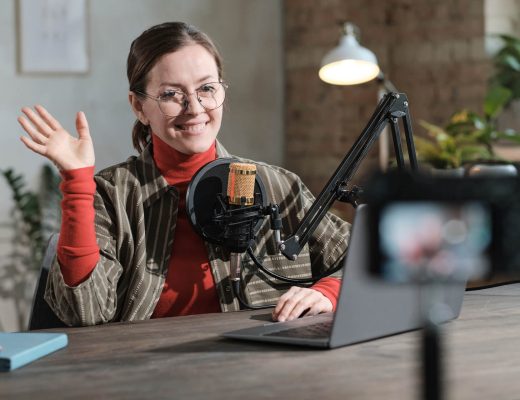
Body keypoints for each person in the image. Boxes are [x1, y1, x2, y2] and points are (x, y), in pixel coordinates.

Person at [18, 22, 350, 327]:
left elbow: (368, 260)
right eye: (170, 94)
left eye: (207, 88)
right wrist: (77, 181)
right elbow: (84, 313)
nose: (194, 107)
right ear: (138, 106)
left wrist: (328, 292)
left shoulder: (279, 187)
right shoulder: (110, 195)